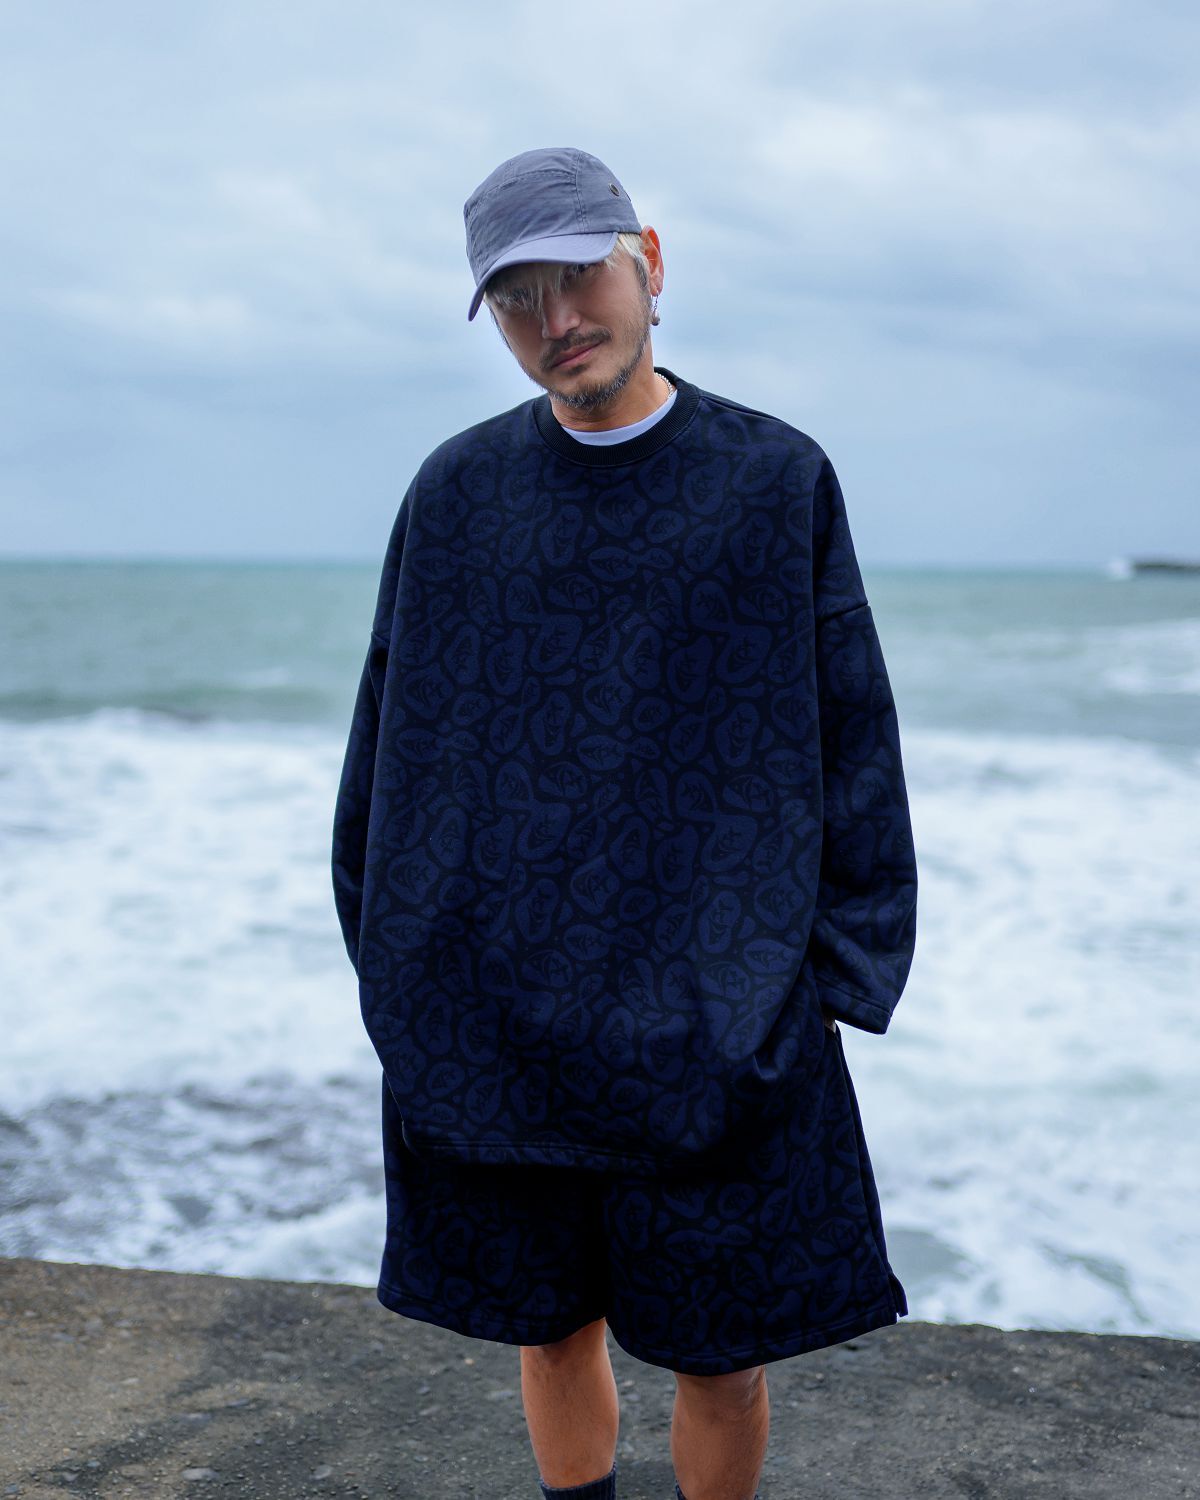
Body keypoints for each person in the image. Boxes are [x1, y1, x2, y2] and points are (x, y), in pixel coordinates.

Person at [331, 146, 918, 1500]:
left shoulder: (773, 482)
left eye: (578, 276)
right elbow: (390, 745)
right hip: (502, 1022)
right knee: (548, 1332)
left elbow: (853, 734)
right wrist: (397, 962)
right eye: (516, 298)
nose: (556, 320)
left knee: (722, 1358)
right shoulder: (456, 494)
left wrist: (829, 978)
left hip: (718, 1019)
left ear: (648, 261)